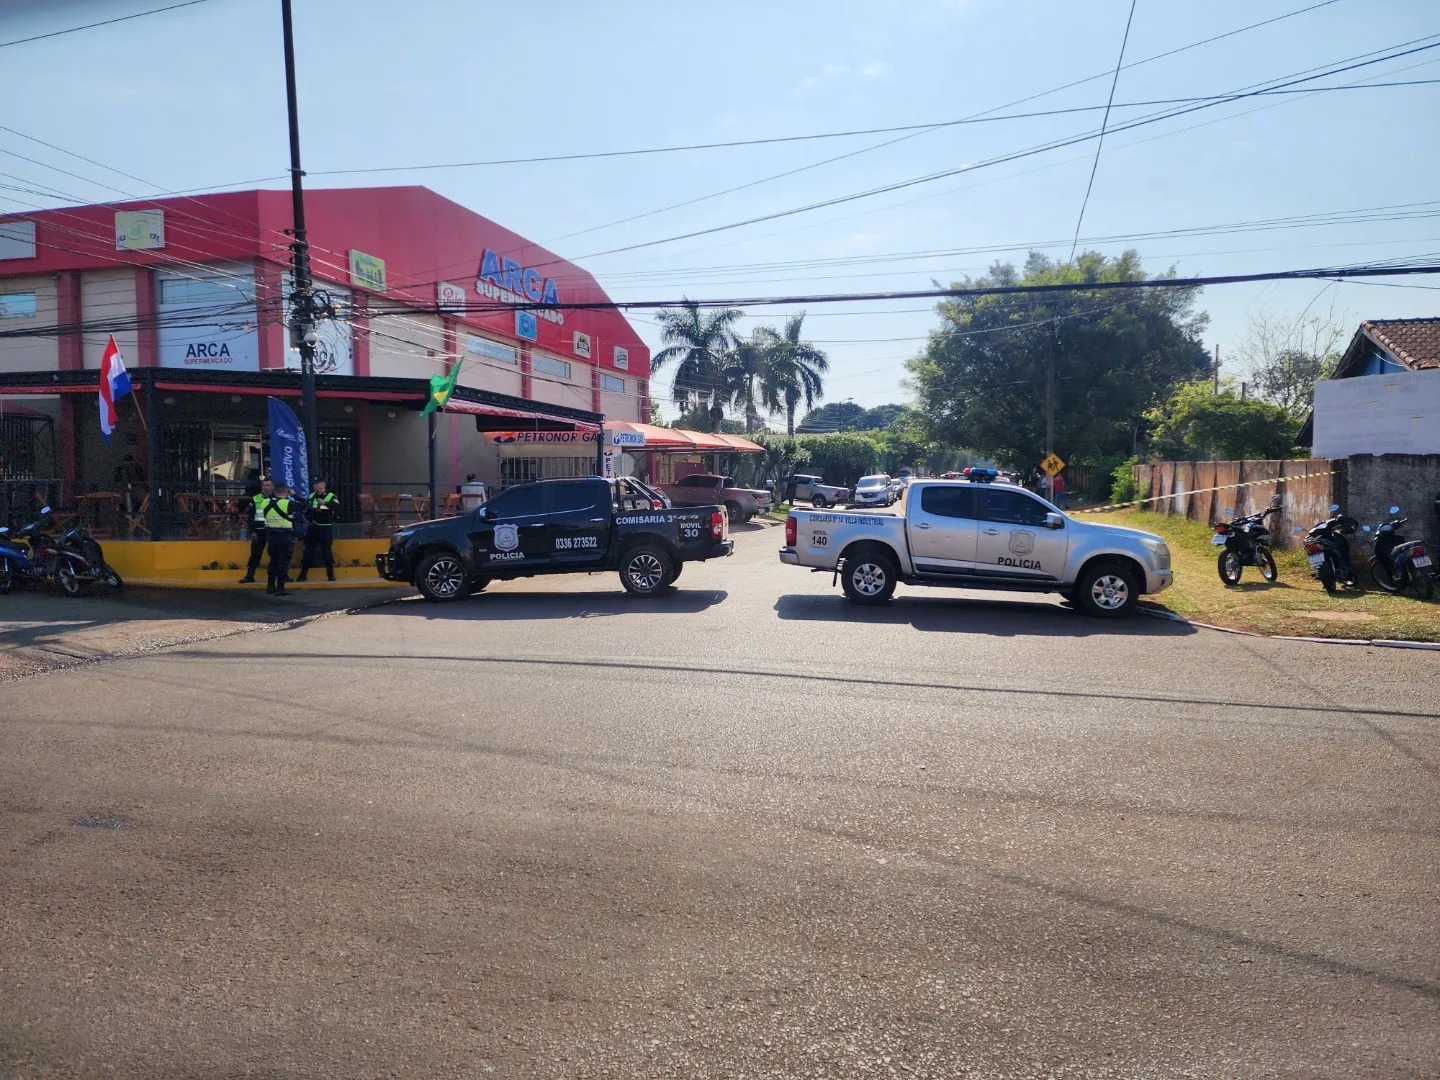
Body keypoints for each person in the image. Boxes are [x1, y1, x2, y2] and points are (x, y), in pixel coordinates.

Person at [298, 478, 338, 582]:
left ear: (323, 485)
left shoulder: (331, 496)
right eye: (313, 484)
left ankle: (330, 575)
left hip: (325, 527)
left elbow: (335, 508)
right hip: (312, 526)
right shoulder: (311, 496)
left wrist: (324, 504)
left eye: (317, 484)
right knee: (308, 551)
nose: (314, 486)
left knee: (326, 551)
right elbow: (306, 506)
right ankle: (303, 574)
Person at [263, 483, 298, 596]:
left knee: (273, 561)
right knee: (283, 563)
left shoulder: (265, 502)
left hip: (271, 535)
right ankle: (280, 588)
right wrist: (295, 495)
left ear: (274, 491)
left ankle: (270, 586)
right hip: (285, 536)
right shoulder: (288, 503)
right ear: (286, 492)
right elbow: (304, 505)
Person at [238, 478, 273, 584]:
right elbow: (250, 516)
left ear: (272, 487)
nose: (266, 487)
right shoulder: (256, 498)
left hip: (273, 530)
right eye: (264, 485)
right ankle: (250, 575)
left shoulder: (277, 498)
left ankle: (281, 575)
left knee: (276, 554)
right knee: (255, 555)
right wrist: (252, 531)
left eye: (268, 485)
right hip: (259, 531)